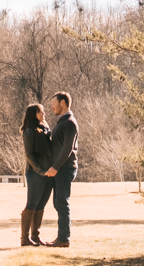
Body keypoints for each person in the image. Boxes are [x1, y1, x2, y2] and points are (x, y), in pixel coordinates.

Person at [43, 91, 79, 248]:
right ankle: (62, 237)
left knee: (62, 203)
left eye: (54, 103)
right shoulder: (61, 122)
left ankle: (64, 239)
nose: (51, 107)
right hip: (60, 168)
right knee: (58, 203)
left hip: (64, 168)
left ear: (63, 103)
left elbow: (67, 149)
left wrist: (55, 168)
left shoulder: (70, 122)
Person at [19, 103, 53, 246]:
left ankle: (35, 236)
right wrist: (41, 171)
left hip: (49, 173)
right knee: (32, 204)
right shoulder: (29, 132)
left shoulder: (45, 129)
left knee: (41, 205)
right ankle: (25, 239)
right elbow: (29, 155)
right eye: (41, 112)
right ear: (34, 114)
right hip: (36, 174)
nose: (44, 114)